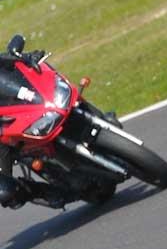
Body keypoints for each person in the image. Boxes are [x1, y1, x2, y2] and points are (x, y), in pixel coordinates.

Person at [0, 46, 120, 209]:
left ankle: (96, 117)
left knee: (55, 90)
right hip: (6, 133)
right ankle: (47, 191)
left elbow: (7, 67)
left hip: (20, 108)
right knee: (8, 190)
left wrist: (21, 57)